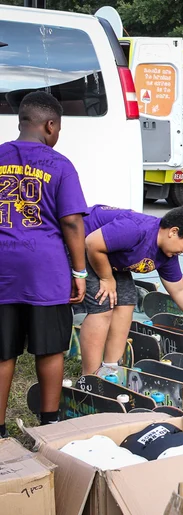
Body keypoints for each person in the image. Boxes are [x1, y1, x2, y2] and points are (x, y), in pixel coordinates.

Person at [0, 92, 88, 435]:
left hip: (3, 267)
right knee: (50, 348)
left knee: (2, 352)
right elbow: (72, 222)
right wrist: (79, 271)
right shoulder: (60, 164)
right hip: (45, 270)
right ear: (51, 125)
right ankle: (49, 425)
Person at [78, 205, 183, 375]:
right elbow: (92, 243)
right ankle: (90, 376)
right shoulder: (135, 229)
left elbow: (179, 289)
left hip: (107, 256)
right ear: (173, 232)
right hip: (79, 243)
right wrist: (106, 278)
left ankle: (110, 369)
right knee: (103, 305)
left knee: (126, 302)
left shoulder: (167, 255)